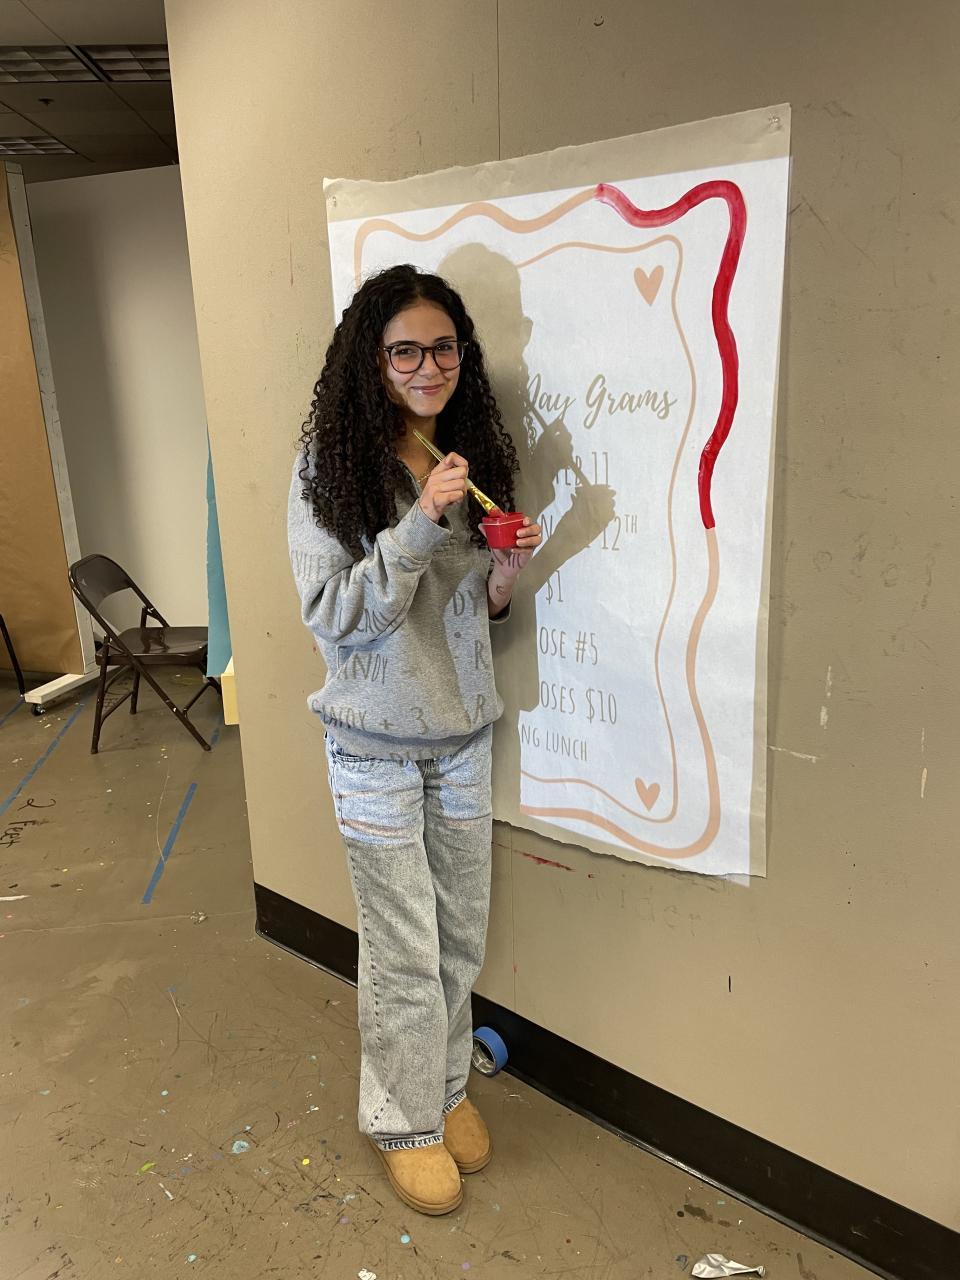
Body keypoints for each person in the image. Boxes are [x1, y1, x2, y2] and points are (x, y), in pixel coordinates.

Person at [288, 263, 541, 1216]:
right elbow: (337, 616)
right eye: (405, 352)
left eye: (443, 348)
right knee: (403, 949)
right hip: (373, 746)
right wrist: (422, 519)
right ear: (372, 360)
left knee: (458, 937)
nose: (428, 367)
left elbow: (465, 611)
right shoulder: (327, 473)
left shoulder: (463, 456)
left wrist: (502, 575)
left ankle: (443, 1090)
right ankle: (401, 1121)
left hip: (462, 736)